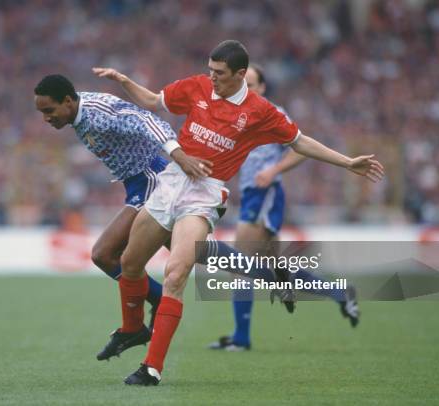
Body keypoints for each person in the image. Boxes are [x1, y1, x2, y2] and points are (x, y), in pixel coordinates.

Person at [93, 39, 384, 386]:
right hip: (170, 183)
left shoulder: (261, 111)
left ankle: (151, 368)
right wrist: (125, 81)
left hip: (204, 196)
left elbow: (300, 142)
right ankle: (132, 329)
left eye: (219, 73)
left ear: (240, 74)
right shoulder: (197, 86)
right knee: (129, 263)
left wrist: (347, 162)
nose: (211, 77)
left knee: (175, 274)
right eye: (210, 70)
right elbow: (156, 101)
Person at [33, 74, 256, 360]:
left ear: (67, 101)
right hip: (137, 183)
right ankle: (290, 277)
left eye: (49, 111)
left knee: (105, 253)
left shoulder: (99, 114)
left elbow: (150, 121)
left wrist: (179, 156)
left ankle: (144, 316)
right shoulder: (78, 114)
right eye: (41, 112)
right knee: (203, 255)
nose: (45, 118)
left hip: (153, 179)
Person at [208, 64, 358, 353]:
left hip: (264, 195)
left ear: (262, 88)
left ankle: (241, 338)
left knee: (240, 266)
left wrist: (273, 169)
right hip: (252, 195)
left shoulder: (271, 113)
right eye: (243, 85)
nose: (246, 90)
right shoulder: (235, 113)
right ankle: (339, 293)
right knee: (273, 268)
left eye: (251, 85)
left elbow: (300, 149)